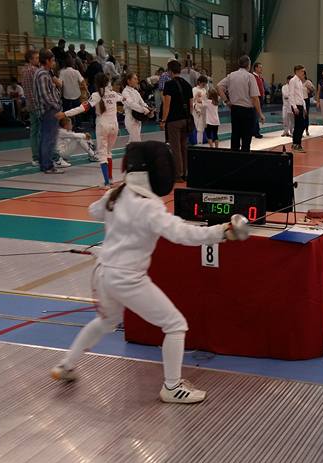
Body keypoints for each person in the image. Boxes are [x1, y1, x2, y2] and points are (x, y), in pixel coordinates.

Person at [50, 141, 251, 403]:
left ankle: (66, 365)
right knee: (175, 325)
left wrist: (114, 201)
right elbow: (182, 233)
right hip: (127, 278)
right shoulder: (149, 207)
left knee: (107, 322)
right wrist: (222, 231)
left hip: (104, 273)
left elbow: (93, 211)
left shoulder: (117, 194)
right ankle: (172, 387)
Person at [61, 72, 121, 186]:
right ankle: (110, 179)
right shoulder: (114, 94)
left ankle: (107, 183)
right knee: (108, 152)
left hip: (103, 125)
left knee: (102, 154)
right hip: (115, 126)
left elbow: (82, 108)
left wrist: (65, 114)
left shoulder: (95, 95)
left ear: (96, 83)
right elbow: (126, 100)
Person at [216, 55, 263, 151]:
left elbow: (219, 86)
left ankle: (234, 157)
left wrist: (226, 101)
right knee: (246, 137)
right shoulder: (250, 76)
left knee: (235, 135)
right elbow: (255, 97)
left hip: (235, 109)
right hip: (247, 111)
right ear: (249, 65)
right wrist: (260, 114)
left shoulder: (231, 75)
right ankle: (244, 156)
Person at [160, 60, 194, 178]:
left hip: (174, 121)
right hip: (186, 120)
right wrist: (188, 117)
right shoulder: (187, 85)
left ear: (170, 71)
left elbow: (167, 105)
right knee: (184, 147)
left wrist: (163, 120)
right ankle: (185, 172)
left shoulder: (169, 85)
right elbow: (191, 105)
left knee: (175, 148)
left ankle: (178, 174)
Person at [33, 50, 64, 175]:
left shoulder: (46, 73)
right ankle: (47, 165)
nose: (54, 63)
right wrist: (56, 106)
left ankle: (45, 164)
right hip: (49, 111)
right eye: (53, 60)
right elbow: (45, 96)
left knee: (46, 137)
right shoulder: (42, 75)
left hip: (48, 110)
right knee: (49, 138)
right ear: (47, 61)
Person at [20, 50, 42, 166]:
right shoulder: (34, 70)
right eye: (36, 58)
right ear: (30, 59)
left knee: (34, 132)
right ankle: (42, 156)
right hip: (37, 105)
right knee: (42, 131)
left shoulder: (23, 70)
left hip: (30, 105)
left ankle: (35, 157)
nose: (38, 60)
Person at [122, 72, 151, 143]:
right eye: (134, 79)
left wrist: (149, 109)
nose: (137, 81)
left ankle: (129, 149)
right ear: (128, 81)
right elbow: (131, 104)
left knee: (133, 142)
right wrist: (143, 109)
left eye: (137, 79)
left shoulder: (136, 92)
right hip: (130, 119)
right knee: (137, 142)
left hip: (138, 119)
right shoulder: (125, 92)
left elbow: (142, 103)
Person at [287, 64, 309, 153]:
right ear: (297, 71)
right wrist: (294, 107)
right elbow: (291, 94)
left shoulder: (300, 81)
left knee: (302, 125)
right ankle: (296, 144)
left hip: (300, 105)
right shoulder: (293, 81)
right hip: (296, 105)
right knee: (299, 125)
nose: (304, 72)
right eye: (302, 71)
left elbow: (301, 96)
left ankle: (296, 144)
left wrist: (304, 107)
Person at [191, 75, 208, 145]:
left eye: (205, 84)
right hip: (196, 111)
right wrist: (195, 107)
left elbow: (206, 100)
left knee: (201, 127)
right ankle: (197, 143)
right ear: (199, 82)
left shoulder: (204, 90)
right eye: (203, 83)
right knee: (197, 127)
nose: (204, 85)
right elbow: (192, 100)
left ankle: (200, 142)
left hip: (203, 110)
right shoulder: (194, 90)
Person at [251, 62, 266, 139]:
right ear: (256, 68)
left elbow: (262, 89)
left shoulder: (260, 78)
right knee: (255, 115)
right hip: (256, 98)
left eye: (261, 67)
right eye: (260, 67)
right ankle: (256, 132)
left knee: (256, 115)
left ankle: (254, 131)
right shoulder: (252, 77)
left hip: (261, 98)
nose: (261, 69)